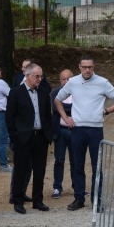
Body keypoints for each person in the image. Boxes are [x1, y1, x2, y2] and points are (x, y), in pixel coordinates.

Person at [54, 55, 114, 211]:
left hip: (95, 129)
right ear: (79, 67)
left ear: (94, 67)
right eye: (84, 67)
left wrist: (106, 111)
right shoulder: (73, 82)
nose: (87, 70)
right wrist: (65, 117)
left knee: (97, 166)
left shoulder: (102, 82)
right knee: (78, 165)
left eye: (90, 67)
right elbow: (58, 99)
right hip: (77, 129)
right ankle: (79, 198)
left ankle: (97, 200)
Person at [6, 63, 53, 214]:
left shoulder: (44, 93)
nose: (39, 79)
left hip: (40, 137)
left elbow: (47, 115)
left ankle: (37, 200)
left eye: (41, 76)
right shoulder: (16, 92)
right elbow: (10, 117)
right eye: (37, 76)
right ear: (27, 76)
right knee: (21, 169)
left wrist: (48, 134)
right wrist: (15, 136)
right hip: (23, 138)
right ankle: (18, 200)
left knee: (40, 170)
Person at [50, 69, 77, 200]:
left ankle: (77, 186)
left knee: (76, 161)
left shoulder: (78, 92)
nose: (66, 81)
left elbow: (80, 107)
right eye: (63, 79)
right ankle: (57, 187)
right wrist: (69, 110)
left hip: (75, 132)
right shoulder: (56, 92)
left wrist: (63, 107)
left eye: (68, 79)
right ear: (60, 80)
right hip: (60, 131)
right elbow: (55, 107)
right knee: (59, 160)